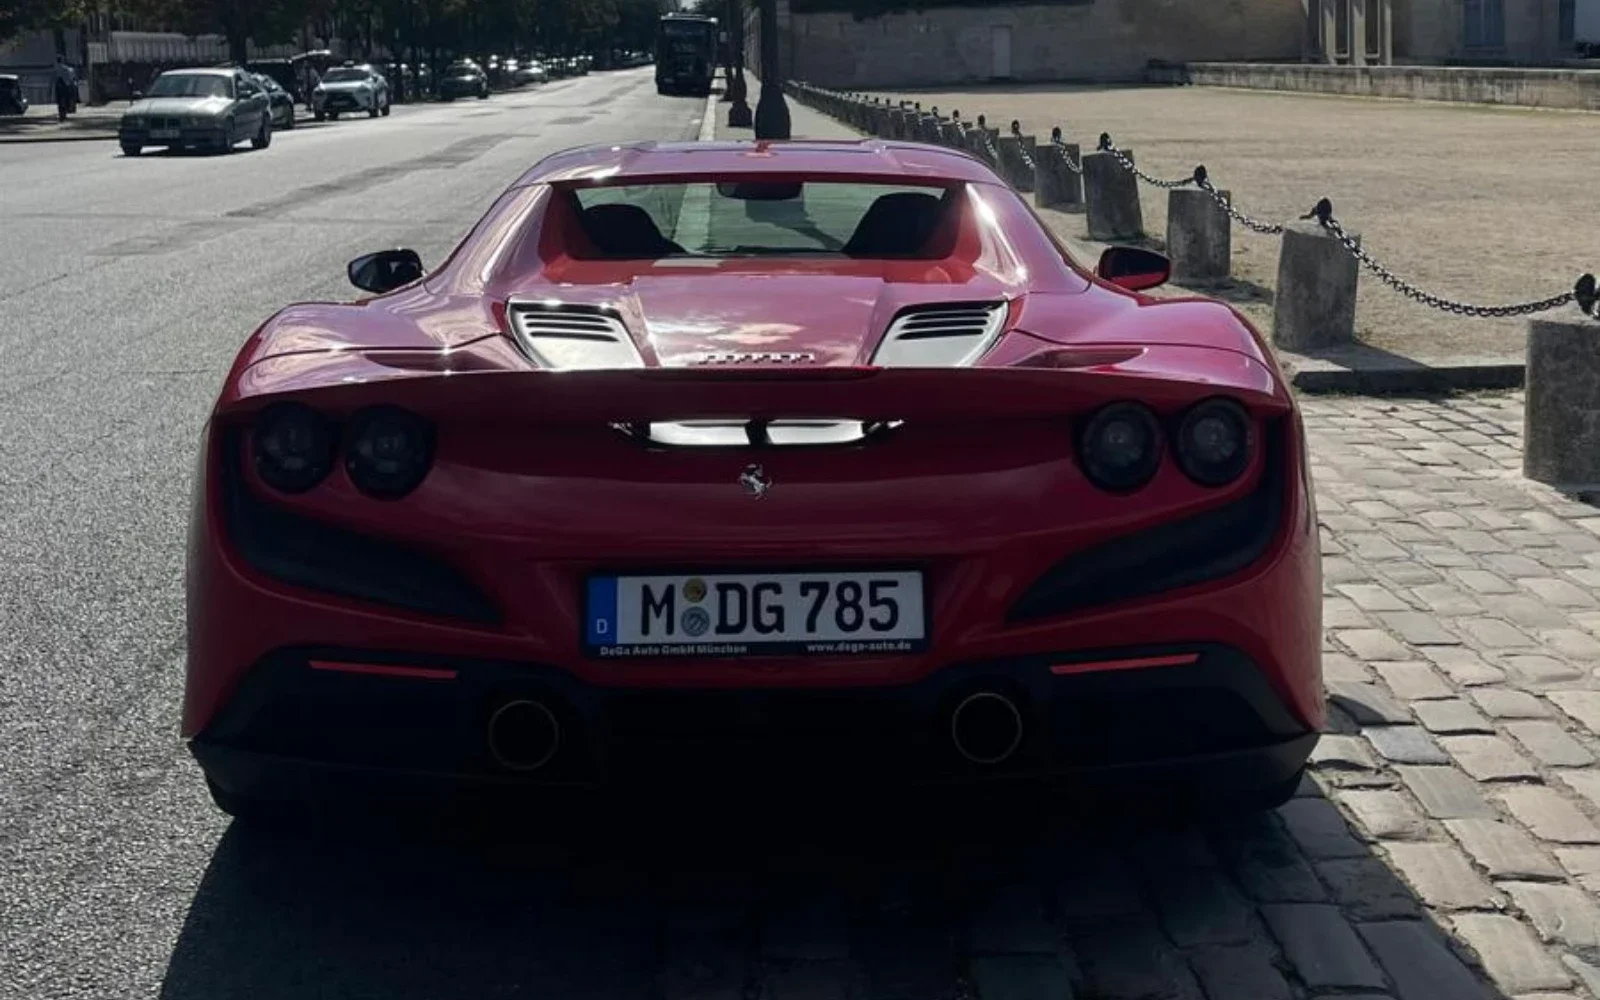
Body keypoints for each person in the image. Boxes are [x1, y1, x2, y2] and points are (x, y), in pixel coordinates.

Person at [53, 56, 76, 122]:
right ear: (62, 60)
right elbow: (71, 78)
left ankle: (61, 114)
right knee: (66, 100)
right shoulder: (67, 69)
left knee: (60, 102)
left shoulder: (56, 69)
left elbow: (53, 79)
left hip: (58, 86)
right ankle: (64, 113)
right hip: (65, 86)